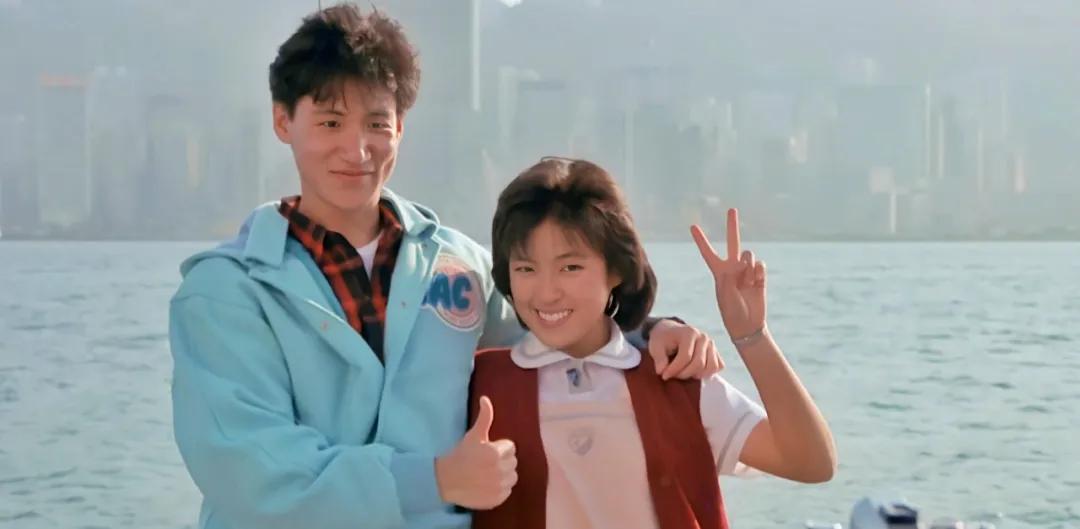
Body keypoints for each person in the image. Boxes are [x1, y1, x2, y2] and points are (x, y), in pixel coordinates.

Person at [168, 6, 722, 529]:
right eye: (331, 123)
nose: (357, 150)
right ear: (282, 121)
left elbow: (555, 327)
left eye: (376, 124)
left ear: (400, 127)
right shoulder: (225, 292)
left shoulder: (459, 267)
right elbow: (249, 471)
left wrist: (649, 332)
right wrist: (434, 480)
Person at [470, 157, 837, 529]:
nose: (547, 292)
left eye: (570, 267)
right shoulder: (481, 385)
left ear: (616, 269)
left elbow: (811, 463)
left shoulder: (674, 378)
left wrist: (752, 335)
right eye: (526, 269)